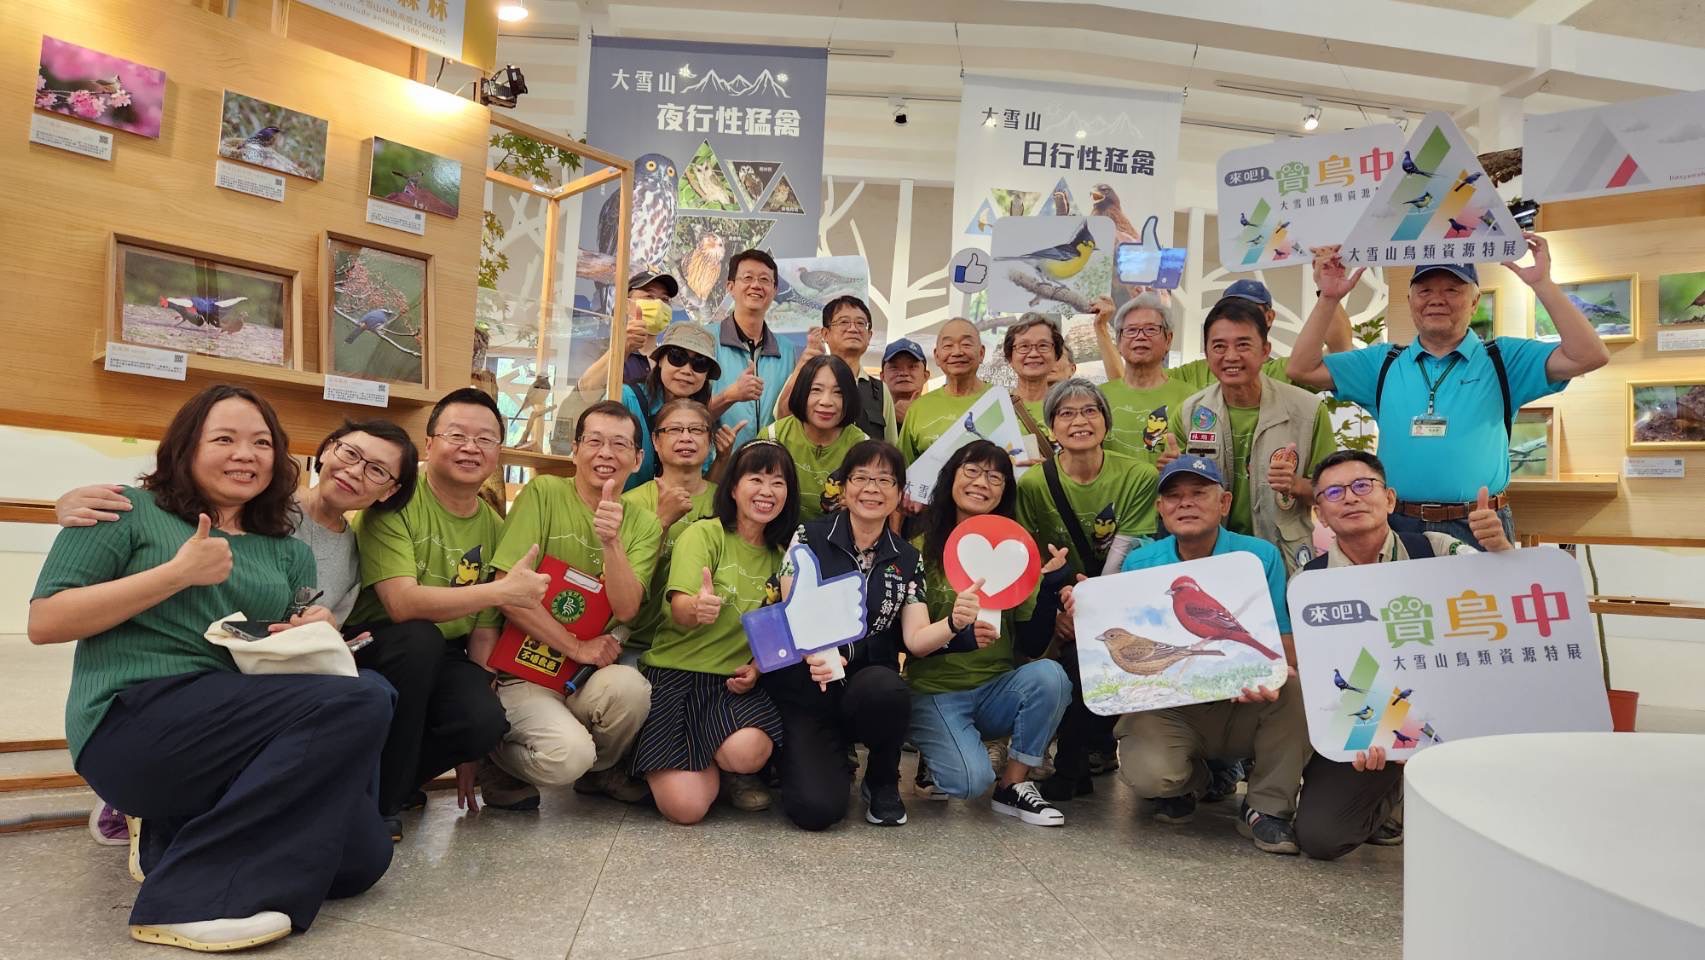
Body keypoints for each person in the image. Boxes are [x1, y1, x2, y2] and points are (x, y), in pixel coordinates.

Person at [29, 384, 395, 952]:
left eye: (261, 443)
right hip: (132, 719)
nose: (245, 454)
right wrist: (175, 575)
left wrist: (311, 629)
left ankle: (173, 834)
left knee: (360, 862)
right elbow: (45, 621)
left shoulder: (286, 549)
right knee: (364, 695)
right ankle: (189, 900)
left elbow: (270, 655)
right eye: (224, 439)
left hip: (231, 727)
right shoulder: (125, 510)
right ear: (187, 446)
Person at [53, 418, 423, 839]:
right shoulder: (261, 503)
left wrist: (322, 628)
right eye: (350, 453)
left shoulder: (354, 552)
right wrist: (67, 504)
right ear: (326, 450)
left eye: (376, 470)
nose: (354, 471)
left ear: (389, 489)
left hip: (265, 669)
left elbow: (319, 627)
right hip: (183, 675)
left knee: (370, 693)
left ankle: (325, 819)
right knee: (362, 695)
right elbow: (178, 508)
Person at [1287, 235, 1610, 548]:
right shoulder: (1382, 363)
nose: (1436, 299)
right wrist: (1328, 298)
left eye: (1452, 289)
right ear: (1410, 301)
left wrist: (1543, 284)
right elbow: (1301, 368)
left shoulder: (1503, 359)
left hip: (1479, 524)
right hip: (1398, 523)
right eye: (1425, 290)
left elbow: (1589, 355)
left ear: (1474, 302)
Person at [1291, 450, 1510, 859]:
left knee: (1487, 835)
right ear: (1320, 514)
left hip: (1453, 713)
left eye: (1362, 486)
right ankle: (1392, 793)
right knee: (1321, 836)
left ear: (1389, 499)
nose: (1350, 498)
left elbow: (1505, 607)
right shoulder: (1309, 584)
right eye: (1334, 493)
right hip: (1368, 722)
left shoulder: (1437, 550)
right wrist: (1384, 734)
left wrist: (1502, 553)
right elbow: (1323, 681)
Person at [345, 389, 530, 827]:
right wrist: (499, 592)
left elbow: (483, 632)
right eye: (457, 435)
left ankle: (386, 785)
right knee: (419, 639)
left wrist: (467, 751)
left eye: (485, 439)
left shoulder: (495, 526)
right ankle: (379, 807)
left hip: (443, 650)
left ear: (498, 453)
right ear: (428, 444)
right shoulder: (394, 504)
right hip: (373, 643)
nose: (471, 448)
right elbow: (401, 605)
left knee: (482, 723)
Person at [1112, 456, 1310, 855]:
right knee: (1150, 776)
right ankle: (1195, 781)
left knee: (1295, 686)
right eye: (1173, 496)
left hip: (1244, 703)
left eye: (1199, 493)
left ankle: (1266, 808)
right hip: (1174, 708)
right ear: (1160, 508)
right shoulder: (1139, 563)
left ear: (1224, 503)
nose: (1185, 503)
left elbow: (1285, 642)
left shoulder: (1258, 557)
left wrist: (1265, 668)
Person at [479, 401, 659, 807]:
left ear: (637, 459)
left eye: (619, 444)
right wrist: (575, 646)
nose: (606, 453)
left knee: (632, 690)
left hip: (586, 676)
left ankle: (599, 771)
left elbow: (626, 609)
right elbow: (507, 590)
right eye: (594, 441)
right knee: (568, 757)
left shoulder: (644, 523)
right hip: (527, 670)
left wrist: (612, 542)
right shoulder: (544, 493)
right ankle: (497, 757)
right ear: (575, 450)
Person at [763, 440, 947, 830]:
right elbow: (793, 606)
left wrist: (955, 624)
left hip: (867, 685)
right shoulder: (810, 536)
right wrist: (819, 652)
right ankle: (818, 756)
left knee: (887, 689)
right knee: (815, 810)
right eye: (861, 477)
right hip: (812, 686)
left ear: (899, 493)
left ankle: (882, 779)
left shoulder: (907, 558)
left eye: (884, 480)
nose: (871, 489)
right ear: (844, 487)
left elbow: (915, 638)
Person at [905, 441, 1074, 827]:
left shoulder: (1018, 552)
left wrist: (1049, 587)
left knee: (1050, 676)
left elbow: (1032, 645)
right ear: (950, 477)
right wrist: (956, 632)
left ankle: (1013, 784)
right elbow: (907, 641)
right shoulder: (917, 551)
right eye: (972, 471)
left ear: (1005, 491)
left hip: (996, 690)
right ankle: (936, 749)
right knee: (968, 782)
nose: (982, 483)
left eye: (995, 477)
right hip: (935, 692)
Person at [629, 441, 799, 824]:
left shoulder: (784, 557)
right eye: (756, 479)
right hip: (675, 678)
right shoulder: (705, 534)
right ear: (734, 487)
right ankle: (694, 765)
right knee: (686, 809)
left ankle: (721, 765)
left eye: (778, 482)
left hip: (730, 686)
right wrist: (697, 608)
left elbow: (783, 627)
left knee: (749, 752)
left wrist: (757, 667)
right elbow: (679, 607)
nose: (767, 492)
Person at [1014, 378, 1159, 800]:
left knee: (1093, 654)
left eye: (1090, 411)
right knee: (1045, 654)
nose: (1079, 421)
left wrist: (1089, 608)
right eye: (1066, 413)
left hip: (1116, 595)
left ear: (1106, 422)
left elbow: (1127, 547)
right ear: (1051, 427)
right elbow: (1029, 556)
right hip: (1057, 593)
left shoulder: (1138, 475)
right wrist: (1059, 606)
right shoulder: (1033, 484)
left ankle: (1080, 756)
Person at [1163, 297, 1336, 573]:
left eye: (1243, 345)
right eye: (1219, 346)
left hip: (1283, 555)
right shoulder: (1190, 413)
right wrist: (1171, 469)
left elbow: (1331, 493)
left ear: (1265, 350)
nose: (1231, 356)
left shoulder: (1308, 411)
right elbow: (1178, 494)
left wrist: (1296, 484)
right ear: (1206, 353)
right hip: (1209, 557)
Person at [1097, 283, 1348, 466]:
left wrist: (1327, 293)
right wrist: (1103, 329)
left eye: (1248, 310)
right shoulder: (1193, 381)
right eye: (1229, 309)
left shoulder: (1284, 372)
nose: (1231, 356)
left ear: (1269, 319)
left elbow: (1340, 353)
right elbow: (1131, 381)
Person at [620, 399, 720, 664]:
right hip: (636, 643)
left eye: (696, 430)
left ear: (710, 441)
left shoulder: (727, 504)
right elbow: (621, 585)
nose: (686, 438)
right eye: (674, 430)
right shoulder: (629, 503)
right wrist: (661, 522)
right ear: (655, 441)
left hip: (702, 649)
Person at [707, 250, 803, 451]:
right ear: (730, 287)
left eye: (765, 280)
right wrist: (730, 395)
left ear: (774, 290)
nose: (756, 285)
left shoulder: (788, 351)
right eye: (748, 278)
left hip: (770, 464)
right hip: (717, 465)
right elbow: (685, 415)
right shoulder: (706, 340)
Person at [772, 295, 899, 444]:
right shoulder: (805, 377)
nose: (853, 329)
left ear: (869, 336)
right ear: (825, 334)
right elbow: (782, 417)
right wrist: (801, 368)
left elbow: (891, 446)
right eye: (844, 322)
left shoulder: (880, 390)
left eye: (860, 323)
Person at [620, 322, 725, 491]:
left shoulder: (702, 420)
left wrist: (722, 458)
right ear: (660, 360)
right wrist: (622, 349)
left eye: (699, 363)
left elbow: (699, 490)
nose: (687, 370)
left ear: (707, 375)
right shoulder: (627, 399)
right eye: (677, 357)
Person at [763, 355, 868, 521]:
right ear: (801, 392)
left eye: (838, 392)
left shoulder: (863, 447)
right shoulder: (773, 437)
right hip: (776, 534)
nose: (826, 401)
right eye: (816, 390)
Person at [896, 318, 991, 464]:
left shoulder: (1001, 401)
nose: (957, 352)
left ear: (981, 353)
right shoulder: (918, 408)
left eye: (966, 344)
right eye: (948, 346)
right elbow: (902, 469)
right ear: (937, 356)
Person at [577, 271, 680, 398]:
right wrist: (623, 348)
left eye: (665, 299)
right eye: (649, 296)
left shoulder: (672, 359)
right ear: (626, 305)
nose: (659, 304)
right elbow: (586, 393)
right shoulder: (598, 349)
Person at [1003, 313, 1066, 445]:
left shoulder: (1071, 406)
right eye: (1024, 346)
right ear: (1010, 358)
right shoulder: (997, 408)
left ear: (1056, 355)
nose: (1033, 354)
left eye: (1043, 346)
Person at [881, 337, 929, 425]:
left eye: (912, 367)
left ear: (925, 376)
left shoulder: (939, 412)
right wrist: (890, 417)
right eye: (894, 367)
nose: (904, 373)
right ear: (882, 377)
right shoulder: (869, 412)